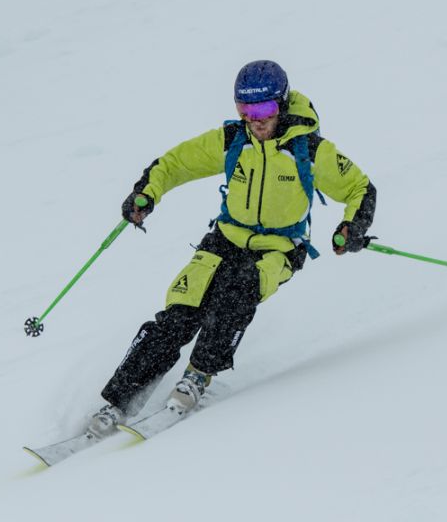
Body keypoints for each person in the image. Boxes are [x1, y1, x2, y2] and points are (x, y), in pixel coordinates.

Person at [86, 60, 377, 437]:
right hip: (225, 238)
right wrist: (147, 191)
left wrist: (353, 227)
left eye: (264, 110)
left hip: (279, 248)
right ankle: (118, 401)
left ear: (282, 104)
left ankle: (197, 377)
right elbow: (175, 163)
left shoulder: (309, 150)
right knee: (179, 314)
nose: (255, 120)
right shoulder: (232, 140)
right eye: (245, 110)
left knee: (236, 294)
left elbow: (361, 188)